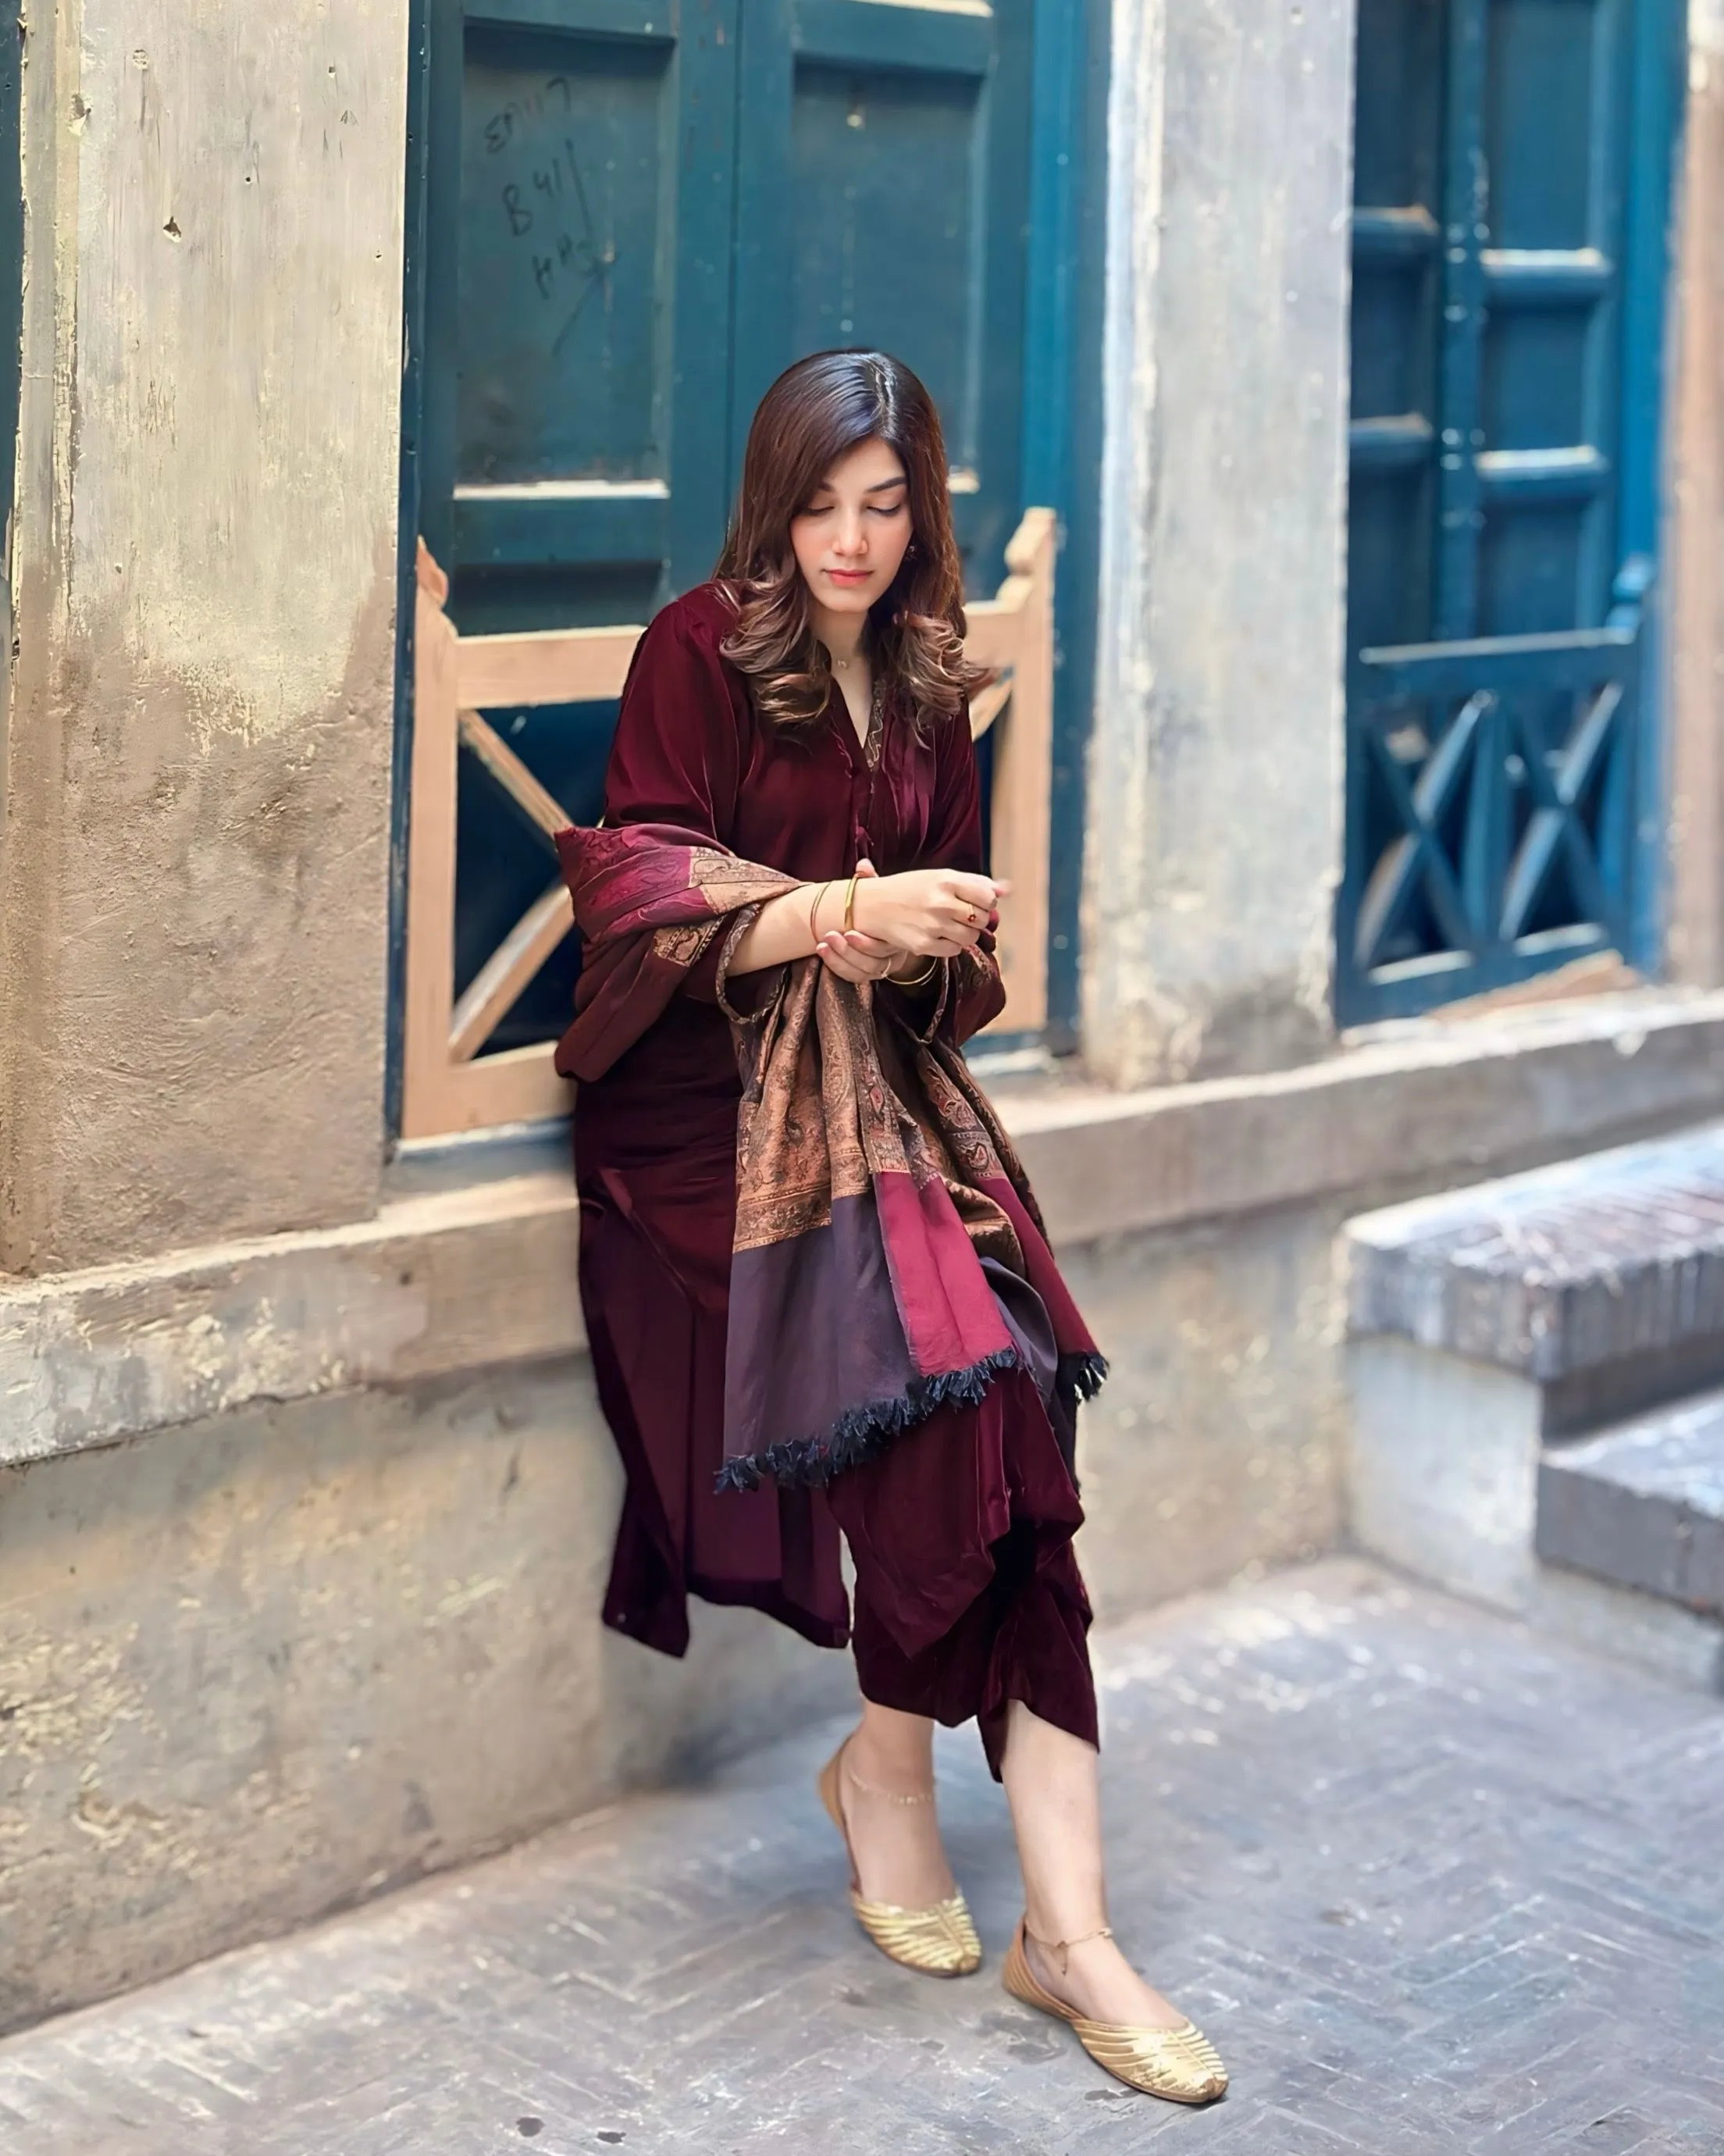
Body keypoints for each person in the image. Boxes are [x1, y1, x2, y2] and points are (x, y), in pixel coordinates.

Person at [553, 350, 1226, 2107]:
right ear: (771, 503)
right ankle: (897, 1782)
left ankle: (1051, 1914)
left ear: (924, 506)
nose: (850, 541)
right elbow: (636, 901)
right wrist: (839, 915)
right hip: (701, 1125)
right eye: (818, 502)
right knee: (950, 1386)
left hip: (881, 1111)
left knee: (1008, 1389)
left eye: (886, 501)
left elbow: (964, 987)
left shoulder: (933, 680)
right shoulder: (698, 651)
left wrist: (929, 943)